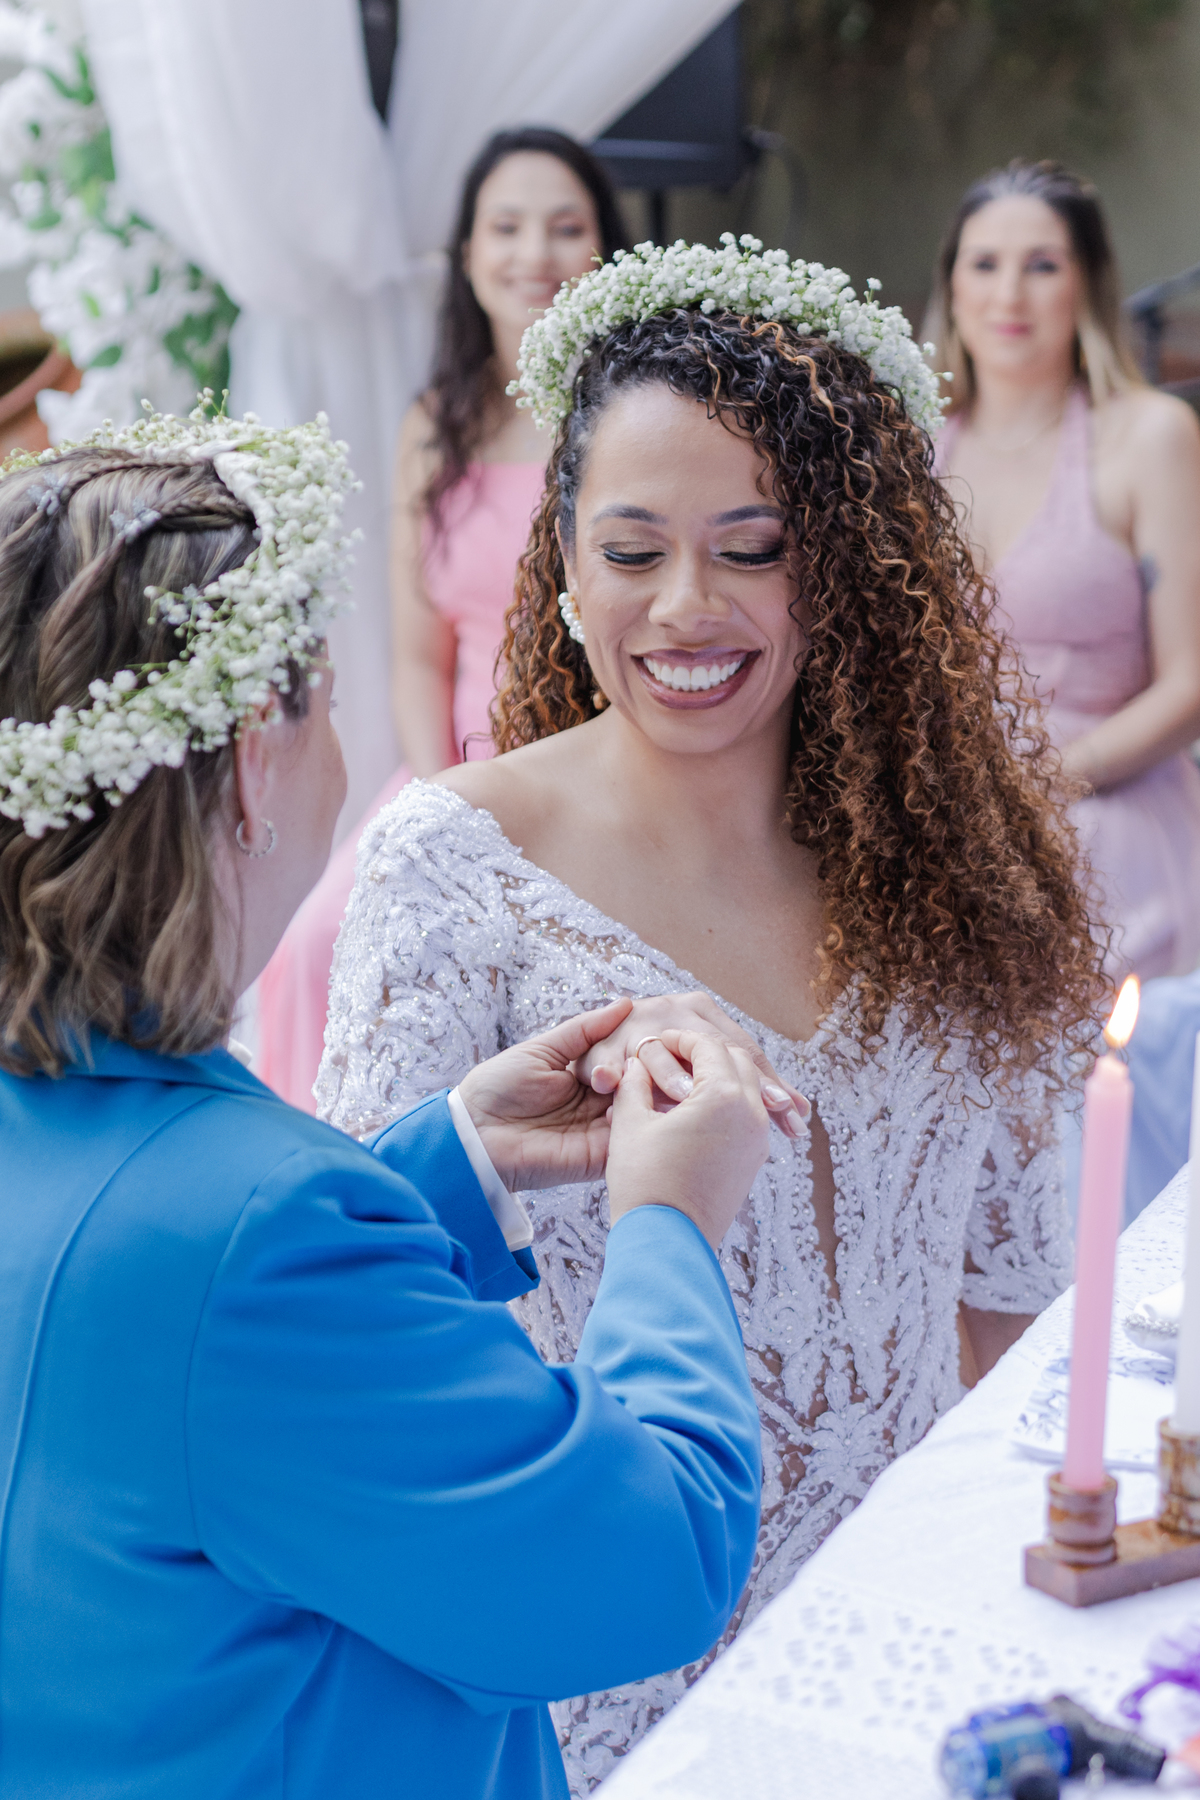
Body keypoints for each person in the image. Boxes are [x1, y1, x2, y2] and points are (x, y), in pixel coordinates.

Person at [317, 239, 1108, 1792]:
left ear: (861, 567)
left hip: (904, 1655)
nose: (688, 608)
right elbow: (370, 1317)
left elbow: (1014, 1307)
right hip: (592, 1670)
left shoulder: (964, 872)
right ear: (559, 561)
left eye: (755, 547)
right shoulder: (451, 867)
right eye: (633, 549)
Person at [0, 409, 773, 1800]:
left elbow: (129, 1339)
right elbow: (645, 1561)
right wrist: (673, 1221)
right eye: (329, 696)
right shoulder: (259, 1233)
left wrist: (454, 1160)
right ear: (251, 757)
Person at [256, 127, 627, 1109]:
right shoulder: (436, 422)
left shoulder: (630, 418)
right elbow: (423, 655)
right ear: (468, 256)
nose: (533, 253)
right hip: (451, 771)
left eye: (564, 226)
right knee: (315, 947)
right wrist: (441, 792)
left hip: (594, 770)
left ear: (604, 248)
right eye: (505, 227)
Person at [929, 158, 1200, 980]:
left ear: (1086, 285)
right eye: (986, 264)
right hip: (939, 862)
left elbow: (1191, 684)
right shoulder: (908, 449)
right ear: (951, 287)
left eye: (1042, 265)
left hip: (1111, 855)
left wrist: (1033, 789)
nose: (1010, 294)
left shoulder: (1149, 436)